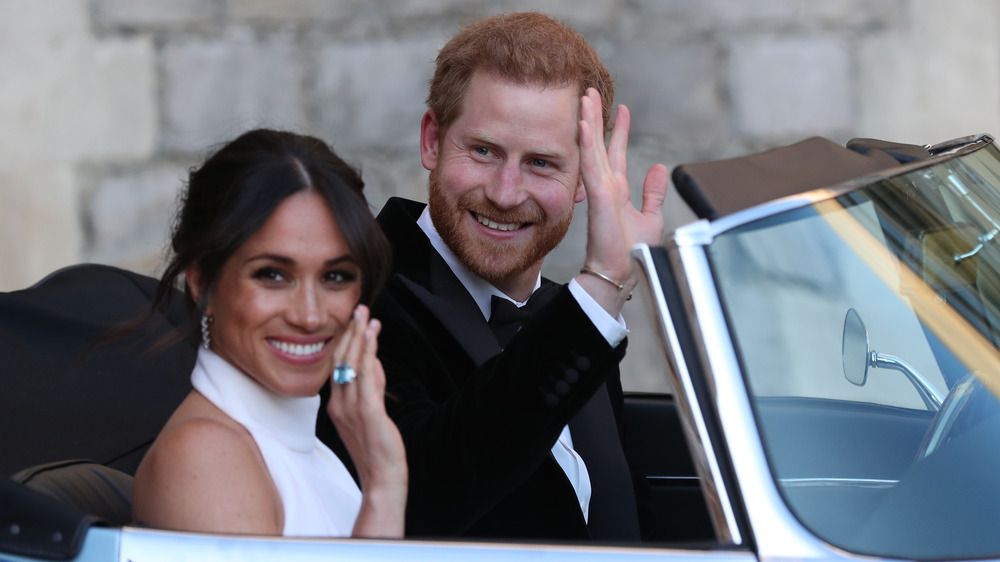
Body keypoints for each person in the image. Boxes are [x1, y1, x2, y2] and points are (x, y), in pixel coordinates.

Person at [318, 12, 669, 541]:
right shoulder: (354, 294)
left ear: (584, 179)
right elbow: (420, 497)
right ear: (433, 141)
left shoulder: (568, 315)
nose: (505, 193)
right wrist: (600, 289)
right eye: (483, 151)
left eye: (542, 164)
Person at [132, 129, 407, 538]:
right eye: (273, 275)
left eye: (335, 276)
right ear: (201, 281)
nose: (310, 316)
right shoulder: (205, 456)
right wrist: (384, 489)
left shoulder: (309, 449)